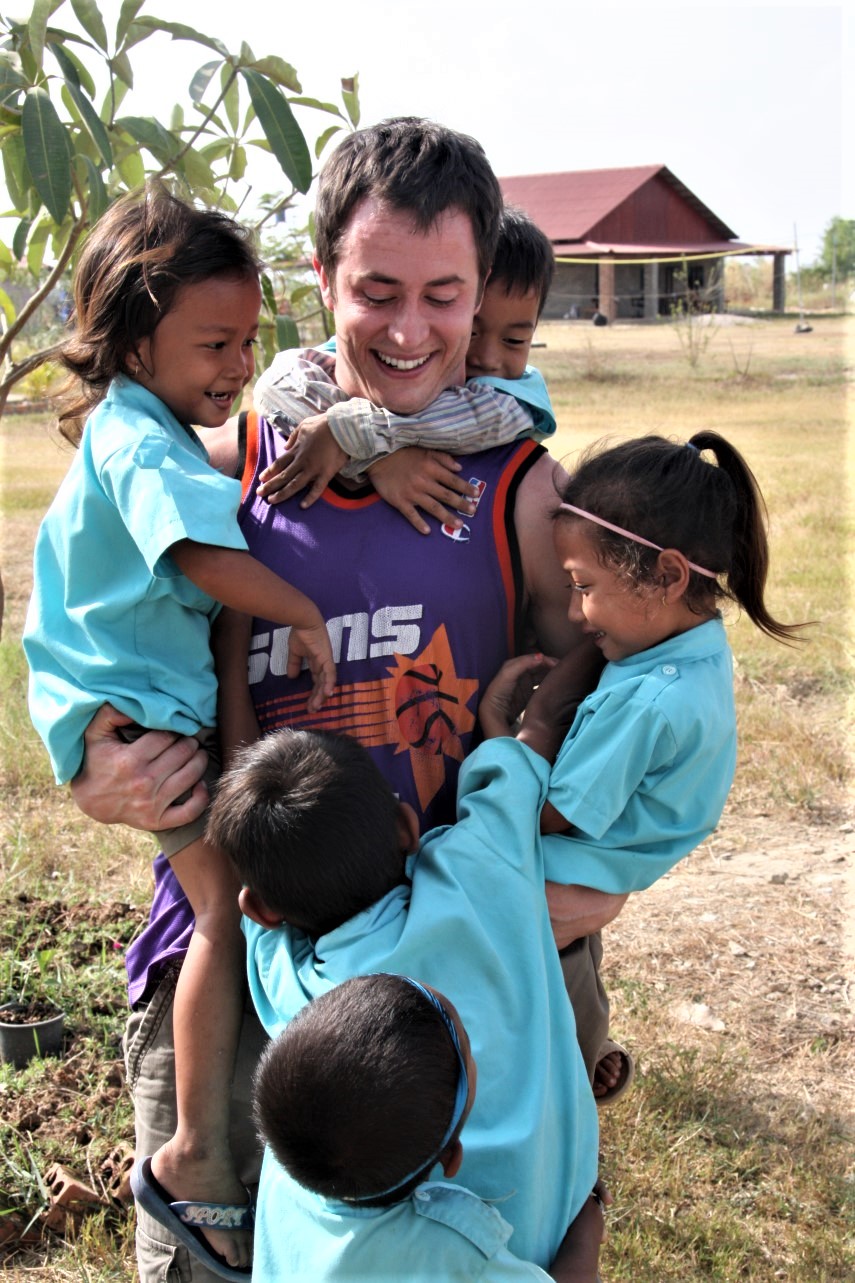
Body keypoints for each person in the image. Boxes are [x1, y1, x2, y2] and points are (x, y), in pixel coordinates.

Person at [68, 119, 624, 1282]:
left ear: (485, 293)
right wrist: (90, 766)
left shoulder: (520, 480)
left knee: (491, 1250)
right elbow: (90, 613)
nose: (412, 329)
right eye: (376, 290)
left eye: (445, 294)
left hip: (471, 954)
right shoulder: (232, 456)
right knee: (207, 1252)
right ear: (320, 278)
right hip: (252, 936)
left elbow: (627, 673)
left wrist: (607, 852)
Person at [22, 185, 336, 1278]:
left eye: (250, 340)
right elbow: (200, 560)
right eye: (213, 342)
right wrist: (302, 609)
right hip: (144, 722)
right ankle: (199, 1149)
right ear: (131, 332)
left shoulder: (145, 427)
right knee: (220, 910)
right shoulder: (140, 445)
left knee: (228, 903)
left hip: (134, 708)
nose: (238, 365)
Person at [205, 664, 601, 1272]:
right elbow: (538, 735)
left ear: (259, 907)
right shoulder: (483, 866)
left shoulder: (306, 996)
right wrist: (506, 724)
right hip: (556, 1208)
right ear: (408, 827)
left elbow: (256, 893)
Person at [480, 431, 804, 1063]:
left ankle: (584, 1064)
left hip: (552, 888)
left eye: (582, 585)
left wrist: (513, 727)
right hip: (590, 878)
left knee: (543, 1032)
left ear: (667, 575)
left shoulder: (645, 704)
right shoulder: (686, 649)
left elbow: (546, 814)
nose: (575, 614)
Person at [248, 973, 607, 1282]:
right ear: (451, 1159)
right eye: (467, 1048)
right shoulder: (459, 1252)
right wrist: (585, 1228)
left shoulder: (282, 1177)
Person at [249, 203, 557, 527]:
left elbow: (474, 420)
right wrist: (378, 461)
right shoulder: (358, 351)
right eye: (474, 332)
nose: (488, 358)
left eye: (515, 341)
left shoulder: (516, 396)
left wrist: (348, 431)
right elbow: (277, 383)